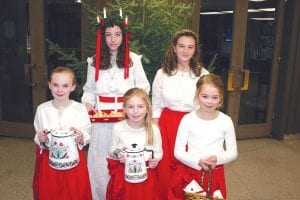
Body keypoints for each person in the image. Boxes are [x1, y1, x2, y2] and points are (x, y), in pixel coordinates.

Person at [81, 12, 150, 200]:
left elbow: (143, 88)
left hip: (128, 119)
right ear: (102, 37)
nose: (113, 39)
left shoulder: (133, 59)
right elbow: (89, 90)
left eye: (117, 34)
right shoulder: (94, 60)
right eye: (108, 34)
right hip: (101, 119)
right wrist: (88, 105)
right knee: (100, 163)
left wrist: (134, 109)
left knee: (124, 160)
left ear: (124, 35)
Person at [151, 29, 209, 199]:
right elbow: (156, 106)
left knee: (190, 166)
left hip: (194, 125)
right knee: (166, 169)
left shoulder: (203, 74)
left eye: (190, 47)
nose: (185, 51)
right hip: (168, 126)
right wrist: (154, 136)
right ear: (174, 48)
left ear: (195, 50)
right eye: (181, 46)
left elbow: (208, 105)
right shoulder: (162, 74)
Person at [171, 73, 238, 199]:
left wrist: (218, 158)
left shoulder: (226, 121)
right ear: (197, 95)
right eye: (205, 96)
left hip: (216, 173)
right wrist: (197, 161)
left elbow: (233, 152)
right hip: (192, 172)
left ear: (221, 98)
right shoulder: (187, 120)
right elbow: (178, 151)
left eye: (214, 97)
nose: (209, 101)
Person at [32, 66, 92, 200]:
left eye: (65, 86)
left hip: (74, 161)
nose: (60, 90)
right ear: (49, 85)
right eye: (56, 85)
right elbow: (38, 134)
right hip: (50, 161)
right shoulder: (42, 109)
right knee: (51, 192)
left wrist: (81, 137)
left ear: (72, 87)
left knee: (75, 192)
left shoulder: (80, 109)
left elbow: (87, 134)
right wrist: (40, 138)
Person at [106, 87, 162, 200]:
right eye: (131, 107)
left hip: (146, 175)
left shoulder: (154, 129)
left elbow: (158, 152)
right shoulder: (118, 127)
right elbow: (111, 150)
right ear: (124, 109)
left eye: (140, 107)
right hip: (123, 176)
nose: (135, 111)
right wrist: (118, 154)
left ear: (147, 108)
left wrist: (154, 160)